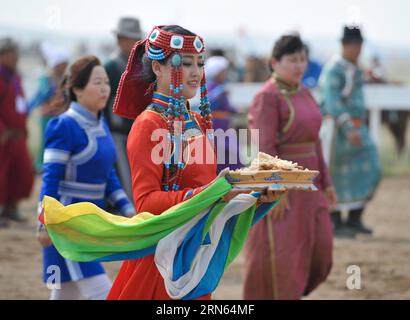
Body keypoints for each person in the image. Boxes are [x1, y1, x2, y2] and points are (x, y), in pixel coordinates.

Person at [106, 25, 282, 300]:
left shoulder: (198, 122)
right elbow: (146, 203)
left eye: (199, 64)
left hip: (194, 254)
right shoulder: (148, 125)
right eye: (184, 63)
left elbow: (211, 193)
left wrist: (258, 195)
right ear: (157, 67)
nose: (195, 72)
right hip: (161, 260)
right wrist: (212, 193)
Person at [244, 35, 336, 300]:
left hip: (311, 186)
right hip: (282, 190)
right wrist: (274, 186)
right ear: (274, 62)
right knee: (284, 259)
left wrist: (327, 182)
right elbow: (264, 147)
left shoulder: (304, 92)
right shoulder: (267, 97)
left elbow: (315, 141)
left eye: (302, 58)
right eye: (292, 59)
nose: (299, 65)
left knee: (321, 249)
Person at [36, 55, 135, 299]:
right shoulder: (63, 125)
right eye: (97, 83)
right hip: (67, 225)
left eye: (106, 83)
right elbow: (50, 179)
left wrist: (129, 209)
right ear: (77, 89)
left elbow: (108, 175)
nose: (105, 89)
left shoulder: (100, 125)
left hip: (89, 224)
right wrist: (43, 224)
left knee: (65, 291)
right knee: (102, 292)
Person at [319, 26, 381, 236]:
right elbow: (332, 100)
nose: (359, 50)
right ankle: (335, 220)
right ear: (346, 45)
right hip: (338, 130)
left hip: (356, 126)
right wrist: (347, 125)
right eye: (356, 46)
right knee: (334, 174)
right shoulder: (335, 69)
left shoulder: (353, 68)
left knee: (371, 168)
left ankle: (354, 217)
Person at [104, 17, 143, 200]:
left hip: (140, 133)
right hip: (117, 134)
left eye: (137, 39)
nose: (135, 43)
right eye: (130, 39)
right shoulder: (111, 67)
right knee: (126, 182)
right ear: (119, 39)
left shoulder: (142, 65)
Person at [0, 37, 34, 228]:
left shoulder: (15, 77)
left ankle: (11, 208)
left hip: (18, 135)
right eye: (11, 53)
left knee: (22, 174)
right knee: (2, 175)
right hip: (4, 136)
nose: (15, 57)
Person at [28, 43, 69, 173]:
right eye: (63, 64)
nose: (65, 66)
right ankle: (43, 170)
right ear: (57, 64)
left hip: (62, 118)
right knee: (45, 146)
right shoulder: (46, 80)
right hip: (48, 118)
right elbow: (38, 97)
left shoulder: (65, 79)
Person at [205, 55, 241, 172]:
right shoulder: (209, 86)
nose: (225, 74)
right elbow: (208, 102)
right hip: (216, 128)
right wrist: (220, 92)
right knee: (221, 154)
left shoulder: (220, 86)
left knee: (232, 155)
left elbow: (226, 107)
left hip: (225, 128)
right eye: (223, 71)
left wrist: (235, 110)